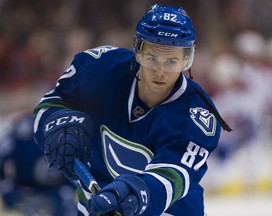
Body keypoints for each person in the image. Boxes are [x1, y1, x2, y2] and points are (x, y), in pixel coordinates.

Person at [33, 4, 232, 216]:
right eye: (152, 58)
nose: (160, 71)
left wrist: (135, 194)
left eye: (171, 61)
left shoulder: (195, 116)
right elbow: (51, 103)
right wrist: (55, 124)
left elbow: (172, 177)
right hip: (94, 207)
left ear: (186, 60)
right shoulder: (100, 70)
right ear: (138, 51)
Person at [0, 113, 77, 216]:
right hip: (25, 188)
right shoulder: (23, 132)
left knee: (67, 203)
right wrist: (9, 189)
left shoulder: (70, 133)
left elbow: (77, 171)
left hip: (57, 189)